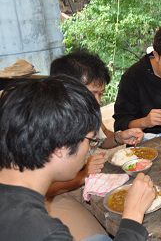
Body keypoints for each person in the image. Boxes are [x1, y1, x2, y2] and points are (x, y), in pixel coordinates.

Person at [0, 75, 156, 240]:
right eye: (90, 140)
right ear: (61, 145)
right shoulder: (46, 233)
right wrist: (133, 214)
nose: (90, 149)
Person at [49, 49, 144, 240]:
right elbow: (44, 187)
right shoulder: (49, 125)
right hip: (55, 198)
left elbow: (103, 138)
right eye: (93, 93)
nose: (98, 102)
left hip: (86, 185)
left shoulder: (89, 113)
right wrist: (83, 174)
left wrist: (119, 137)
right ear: (66, 88)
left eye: (101, 94)